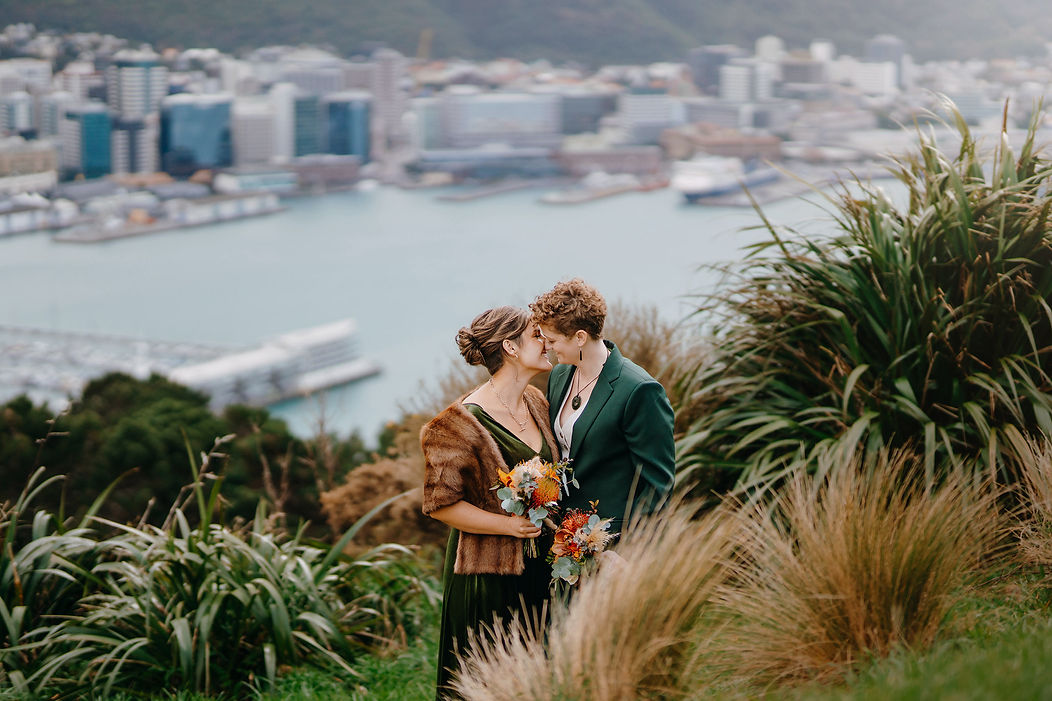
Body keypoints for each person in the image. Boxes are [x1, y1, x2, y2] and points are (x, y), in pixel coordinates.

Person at [420, 306, 558, 700]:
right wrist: (508, 525)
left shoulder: (535, 401)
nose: (546, 340)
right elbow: (441, 506)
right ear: (511, 347)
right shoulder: (454, 426)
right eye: (536, 334)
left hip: (538, 568)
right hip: (487, 577)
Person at [530, 278, 675, 534]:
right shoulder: (559, 375)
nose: (548, 347)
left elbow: (658, 487)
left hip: (612, 539)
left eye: (552, 340)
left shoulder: (639, 390)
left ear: (580, 337)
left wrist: (629, 553)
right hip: (562, 536)